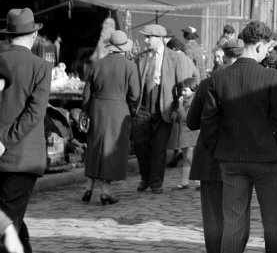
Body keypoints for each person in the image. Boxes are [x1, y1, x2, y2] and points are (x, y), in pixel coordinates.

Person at [202, 21, 277, 253]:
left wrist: (219, 150)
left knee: (233, 223)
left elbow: (208, 123)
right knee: (275, 221)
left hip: (231, 159)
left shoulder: (219, 78)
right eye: (268, 47)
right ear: (260, 46)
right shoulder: (271, 77)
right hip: (267, 158)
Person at [0, 8, 52, 253]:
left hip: (10, 155)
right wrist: (4, 141)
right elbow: (35, 113)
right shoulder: (40, 66)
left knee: (10, 219)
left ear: (8, 35)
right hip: (22, 157)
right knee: (7, 223)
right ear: (33, 36)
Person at [188, 38, 243, 253]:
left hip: (210, 157)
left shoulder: (206, 84)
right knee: (236, 212)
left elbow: (192, 122)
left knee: (212, 213)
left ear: (223, 57)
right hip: (240, 156)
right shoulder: (250, 81)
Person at [132, 24, 195, 194]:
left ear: (159, 39)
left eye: (148, 37)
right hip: (144, 104)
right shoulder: (141, 58)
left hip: (165, 105)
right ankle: (145, 177)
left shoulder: (174, 58)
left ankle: (156, 182)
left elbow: (181, 84)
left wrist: (177, 106)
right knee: (140, 144)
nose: (145, 40)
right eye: (145, 37)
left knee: (159, 147)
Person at [81, 30, 140, 206]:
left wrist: (86, 110)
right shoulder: (130, 66)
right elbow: (135, 95)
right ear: (124, 48)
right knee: (111, 149)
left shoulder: (97, 65)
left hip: (97, 108)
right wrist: (132, 111)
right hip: (118, 110)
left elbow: (86, 94)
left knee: (94, 146)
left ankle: (88, 187)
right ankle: (105, 192)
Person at [169, 77, 199, 190]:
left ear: (193, 90)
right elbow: (180, 118)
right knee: (186, 158)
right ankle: (185, 180)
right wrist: (175, 114)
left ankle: (199, 179)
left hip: (191, 133)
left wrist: (180, 107)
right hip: (185, 133)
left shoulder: (193, 102)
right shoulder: (185, 101)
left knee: (189, 157)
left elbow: (186, 118)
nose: (182, 92)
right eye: (182, 90)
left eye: (185, 90)